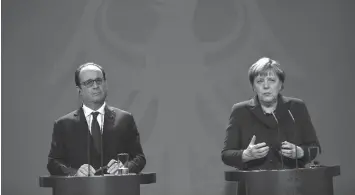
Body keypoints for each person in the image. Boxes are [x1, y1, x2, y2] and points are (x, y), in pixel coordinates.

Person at [221, 57, 321, 193]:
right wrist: (245, 155)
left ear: (281, 85)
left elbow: (315, 148)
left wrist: (301, 152)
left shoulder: (296, 108)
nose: (266, 86)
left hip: (292, 187)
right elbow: (226, 154)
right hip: (254, 188)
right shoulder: (240, 111)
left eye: (272, 80)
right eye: (260, 81)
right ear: (253, 86)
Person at [47, 62, 146, 176]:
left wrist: (123, 167)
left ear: (105, 84)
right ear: (79, 89)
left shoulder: (124, 119)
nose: (95, 86)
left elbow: (139, 158)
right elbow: (53, 163)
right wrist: (75, 173)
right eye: (89, 83)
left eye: (99, 81)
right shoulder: (64, 124)